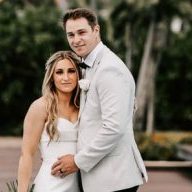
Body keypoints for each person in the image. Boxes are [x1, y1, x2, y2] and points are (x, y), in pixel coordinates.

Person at [51, 8, 148, 192]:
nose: (76, 39)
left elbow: (113, 128)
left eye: (81, 32)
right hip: (101, 178)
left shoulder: (110, 69)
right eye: (70, 34)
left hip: (113, 179)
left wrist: (78, 161)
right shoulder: (91, 65)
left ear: (96, 30)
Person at [17, 50, 82, 192]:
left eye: (71, 71)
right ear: (52, 77)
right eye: (59, 72)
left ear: (78, 74)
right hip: (50, 185)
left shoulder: (84, 106)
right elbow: (26, 154)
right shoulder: (40, 107)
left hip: (81, 185)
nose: (66, 77)